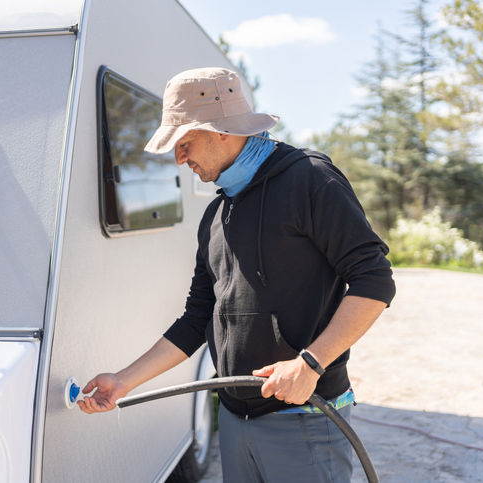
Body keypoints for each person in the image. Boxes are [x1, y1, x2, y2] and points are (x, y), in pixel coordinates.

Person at [78, 67, 396, 482]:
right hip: (233, 419)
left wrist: (309, 365)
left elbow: (374, 280)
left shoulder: (310, 180)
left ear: (221, 131)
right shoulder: (216, 214)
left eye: (185, 143)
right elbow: (196, 320)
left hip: (305, 418)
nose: (180, 158)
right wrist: (123, 381)